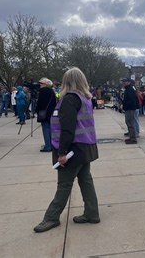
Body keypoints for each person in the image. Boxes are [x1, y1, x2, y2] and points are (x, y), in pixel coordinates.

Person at [34, 67, 100, 233]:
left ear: (66, 81)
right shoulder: (85, 97)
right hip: (85, 146)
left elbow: (67, 129)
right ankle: (92, 213)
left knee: (64, 185)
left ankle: (51, 217)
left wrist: (62, 153)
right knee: (86, 180)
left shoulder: (70, 99)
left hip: (73, 148)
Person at [36, 78, 57, 152]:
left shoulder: (43, 91)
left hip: (44, 112)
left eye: (41, 83)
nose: (40, 85)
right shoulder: (52, 91)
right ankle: (51, 144)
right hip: (51, 111)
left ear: (45, 84)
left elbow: (40, 103)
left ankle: (47, 146)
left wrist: (37, 110)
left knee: (45, 128)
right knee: (50, 128)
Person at [122, 78, 138, 144]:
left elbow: (131, 100)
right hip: (128, 108)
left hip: (130, 108)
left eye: (125, 82)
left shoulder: (130, 89)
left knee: (130, 122)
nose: (123, 83)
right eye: (123, 82)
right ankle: (131, 137)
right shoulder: (128, 89)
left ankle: (133, 138)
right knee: (128, 122)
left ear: (128, 82)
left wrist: (125, 105)